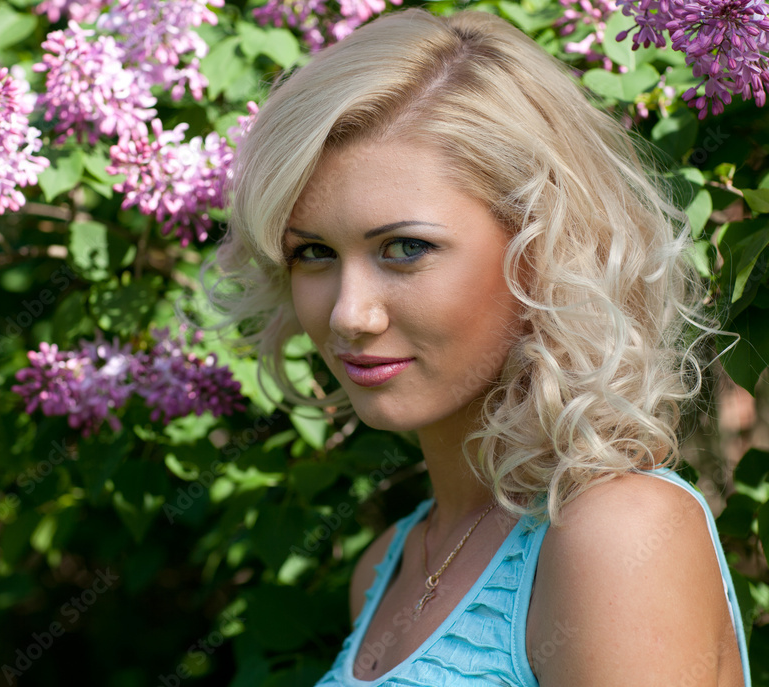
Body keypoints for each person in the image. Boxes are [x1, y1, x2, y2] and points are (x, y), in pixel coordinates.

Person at [197, 7, 751, 686]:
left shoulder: (616, 533)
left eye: (405, 248)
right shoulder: (386, 566)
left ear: (542, 250)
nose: (349, 313)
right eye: (313, 252)